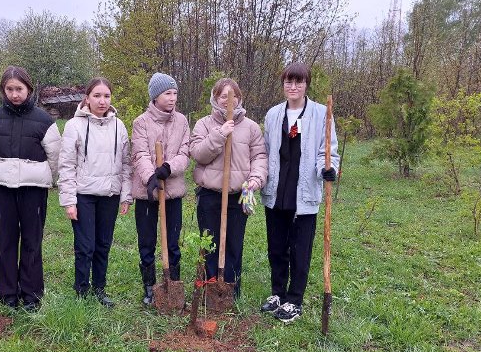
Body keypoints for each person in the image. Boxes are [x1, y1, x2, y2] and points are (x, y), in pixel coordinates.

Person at [259, 62, 339, 324]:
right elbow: (266, 151)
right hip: (277, 193)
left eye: (298, 82)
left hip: (303, 194)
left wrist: (327, 169)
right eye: (288, 82)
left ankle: (295, 300)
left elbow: (327, 151)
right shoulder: (273, 115)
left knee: (300, 250)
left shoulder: (320, 114)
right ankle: (277, 293)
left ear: (306, 85)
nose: (293, 87)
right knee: (276, 248)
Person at [0, 66, 61, 312]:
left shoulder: (45, 121)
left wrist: (44, 179)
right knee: (5, 241)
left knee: (31, 241)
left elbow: (55, 157)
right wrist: (0, 175)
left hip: (33, 190)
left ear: (29, 89)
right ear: (3, 91)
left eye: (19, 89)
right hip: (2, 190)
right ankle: (7, 295)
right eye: (10, 89)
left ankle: (31, 295)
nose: (15, 94)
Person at [190, 78, 267, 298]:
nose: (228, 101)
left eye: (233, 96)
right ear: (215, 98)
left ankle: (231, 289)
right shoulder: (204, 124)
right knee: (209, 242)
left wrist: (256, 178)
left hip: (237, 196)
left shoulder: (251, 127)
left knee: (234, 243)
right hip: (210, 196)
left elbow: (259, 157)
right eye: (224, 96)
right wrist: (220, 133)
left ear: (240, 98)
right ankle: (210, 288)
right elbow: (198, 154)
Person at [58, 77, 132, 307]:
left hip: (109, 195)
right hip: (84, 195)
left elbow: (127, 164)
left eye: (106, 96)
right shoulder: (74, 126)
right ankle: (81, 289)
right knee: (85, 245)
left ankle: (99, 288)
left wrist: (125, 195)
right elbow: (66, 164)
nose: (102, 101)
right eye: (97, 96)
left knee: (103, 244)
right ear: (87, 98)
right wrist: (69, 200)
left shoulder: (120, 126)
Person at [131, 73, 191, 306]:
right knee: (147, 241)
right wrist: (151, 177)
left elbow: (184, 152)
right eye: (168, 93)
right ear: (156, 96)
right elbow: (139, 153)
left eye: (175, 93)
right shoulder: (141, 122)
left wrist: (167, 167)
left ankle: (172, 284)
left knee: (173, 240)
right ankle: (149, 287)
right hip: (147, 193)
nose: (172, 98)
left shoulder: (182, 121)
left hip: (172, 190)